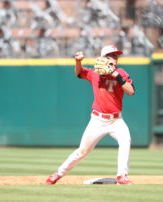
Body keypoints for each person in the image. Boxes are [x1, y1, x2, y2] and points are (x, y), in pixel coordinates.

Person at [46, 45, 135, 185]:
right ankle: (57, 174)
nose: (115, 58)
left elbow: (131, 91)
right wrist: (78, 61)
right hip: (98, 120)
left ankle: (122, 175)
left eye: (116, 55)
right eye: (112, 55)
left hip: (116, 120)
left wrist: (116, 75)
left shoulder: (121, 72)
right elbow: (79, 73)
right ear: (104, 58)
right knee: (82, 151)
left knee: (125, 140)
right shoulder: (95, 73)